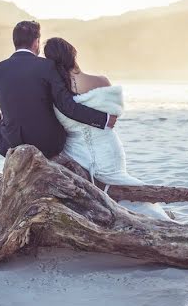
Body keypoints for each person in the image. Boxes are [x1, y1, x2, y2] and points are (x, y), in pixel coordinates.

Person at [44, 37, 171, 220]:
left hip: (76, 151)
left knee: (114, 188)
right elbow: (115, 113)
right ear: (73, 55)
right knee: (117, 189)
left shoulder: (54, 92)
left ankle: (156, 221)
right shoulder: (100, 81)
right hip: (103, 146)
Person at [0, 21, 118, 173]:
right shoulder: (47, 66)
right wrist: (104, 119)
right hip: (48, 145)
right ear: (36, 42)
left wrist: (1, 119)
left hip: (12, 144)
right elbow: (67, 106)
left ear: (14, 42)